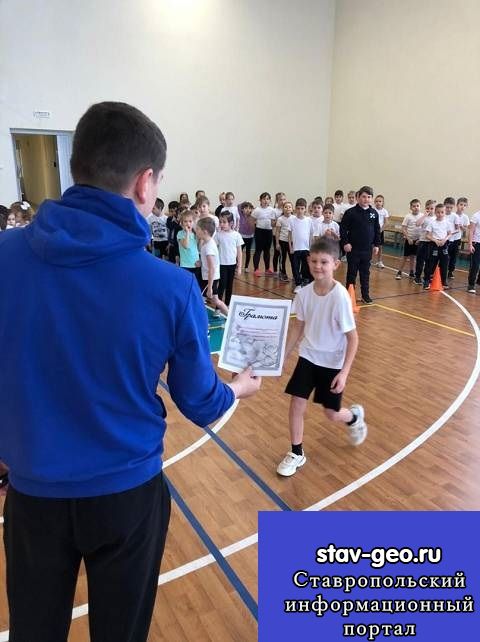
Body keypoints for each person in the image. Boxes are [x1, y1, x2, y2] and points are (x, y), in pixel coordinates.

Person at [0, 101, 261, 642]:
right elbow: (199, 401)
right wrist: (236, 389)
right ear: (145, 182)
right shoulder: (170, 286)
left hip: (32, 493)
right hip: (126, 493)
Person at [276, 237, 367, 477]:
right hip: (308, 357)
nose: (318, 266)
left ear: (335, 264)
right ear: (308, 261)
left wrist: (344, 373)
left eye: (324, 262)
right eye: (314, 261)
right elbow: (298, 327)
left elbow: (353, 338)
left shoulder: (340, 297)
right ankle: (296, 452)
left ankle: (354, 417)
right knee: (296, 403)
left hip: (332, 363)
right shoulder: (304, 294)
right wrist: (283, 357)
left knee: (331, 413)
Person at [340, 185, 380, 304]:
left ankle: (365, 295)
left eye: (369, 197)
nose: (366, 199)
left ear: (371, 199)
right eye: (363, 196)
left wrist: (376, 244)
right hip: (353, 249)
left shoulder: (374, 213)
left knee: (365, 274)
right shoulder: (350, 213)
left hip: (367, 250)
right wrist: (345, 243)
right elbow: (343, 229)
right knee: (352, 273)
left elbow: (377, 230)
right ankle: (349, 295)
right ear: (358, 197)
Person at [196, 215, 229, 316]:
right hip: (207, 278)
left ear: (205, 232)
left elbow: (212, 268)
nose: (196, 231)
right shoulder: (206, 243)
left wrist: (210, 287)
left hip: (210, 279)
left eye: (197, 229)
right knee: (215, 300)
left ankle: (230, 316)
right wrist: (201, 262)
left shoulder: (209, 247)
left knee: (204, 300)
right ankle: (230, 316)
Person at [423, 202, 454, 289]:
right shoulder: (432, 223)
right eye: (438, 212)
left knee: (444, 263)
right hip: (434, 245)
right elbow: (427, 235)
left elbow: (450, 234)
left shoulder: (447, 223)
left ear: (444, 212)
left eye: (442, 212)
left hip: (444, 244)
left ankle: (443, 282)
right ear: (435, 212)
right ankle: (427, 281)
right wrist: (435, 240)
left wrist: (445, 239)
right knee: (431, 263)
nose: (440, 214)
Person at [217, 211, 244, 306]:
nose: (221, 224)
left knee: (229, 285)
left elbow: (239, 252)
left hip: (232, 265)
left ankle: (227, 305)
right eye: (220, 222)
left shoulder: (236, 235)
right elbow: (214, 249)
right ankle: (218, 306)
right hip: (221, 265)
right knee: (222, 285)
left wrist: (239, 267)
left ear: (231, 223)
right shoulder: (218, 235)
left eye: (224, 222)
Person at [289, 197, 313, 293]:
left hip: (306, 248)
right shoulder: (292, 220)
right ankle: (298, 284)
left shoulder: (309, 220)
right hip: (296, 248)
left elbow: (311, 234)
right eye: (298, 208)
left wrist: (311, 247)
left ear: (305, 209)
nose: (300, 210)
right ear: (295, 209)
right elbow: (289, 234)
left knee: (305, 267)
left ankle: (305, 281)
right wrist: (290, 246)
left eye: (302, 208)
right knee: (295, 266)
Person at [395, 199, 421, 280]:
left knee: (413, 257)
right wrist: (408, 238)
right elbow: (403, 228)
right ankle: (399, 272)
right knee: (405, 257)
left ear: (420, 207)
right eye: (414, 206)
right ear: (410, 208)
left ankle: (411, 272)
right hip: (409, 240)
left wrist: (420, 239)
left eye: (417, 206)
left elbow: (424, 229)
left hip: (418, 241)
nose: (416, 207)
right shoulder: (408, 216)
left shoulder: (422, 216)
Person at [252, 192, 276, 276]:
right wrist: (254, 230)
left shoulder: (272, 210)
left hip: (268, 232)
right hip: (259, 231)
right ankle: (256, 269)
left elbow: (273, 222)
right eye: (264, 199)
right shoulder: (257, 210)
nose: (266, 201)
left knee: (267, 251)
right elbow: (252, 220)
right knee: (258, 250)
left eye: (267, 199)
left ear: (270, 200)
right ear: (260, 200)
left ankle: (267, 268)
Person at [413, 199, 435, 285]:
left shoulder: (435, 218)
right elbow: (417, 224)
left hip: (432, 242)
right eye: (428, 208)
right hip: (423, 241)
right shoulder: (423, 217)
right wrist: (424, 216)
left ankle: (427, 277)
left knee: (430, 261)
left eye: (432, 208)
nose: (430, 210)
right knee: (420, 260)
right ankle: (417, 277)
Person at [177, 209, 201, 285]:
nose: (188, 223)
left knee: (195, 284)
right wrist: (187, 233)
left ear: (193, 222)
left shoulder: (195, 234)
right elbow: (186, 246)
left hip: (195, 264)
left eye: (190, 221)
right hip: (185, 264)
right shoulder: (180, 234)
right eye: (185, 221)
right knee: (186, 284)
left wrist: (200, 260)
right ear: (182, 223)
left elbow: (199, 248)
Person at [448, 197, 469, 280]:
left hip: (457, 239)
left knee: (453, 256)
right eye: (461, 204)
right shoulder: (452, 215)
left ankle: (450, 271)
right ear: (457, 205)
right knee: (446, 255)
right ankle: (442, 269)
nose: (462, 207)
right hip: (449, 238)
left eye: (464, 205)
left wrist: (461, 227)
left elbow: (465, 229)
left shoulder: (465, 217)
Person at [275, 200, 294, 282]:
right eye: (286, 207)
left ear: (292, 209)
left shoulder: (294, 218)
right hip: (282, 241)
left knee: (293, 259)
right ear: (283, 209)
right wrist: (277, 243)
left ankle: (295, 275)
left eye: (289, 207)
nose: (288, 208)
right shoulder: (280, 219)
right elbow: (277, 232)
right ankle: (283, 274)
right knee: (282, 259)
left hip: (292, 242)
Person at [238, 201, 255, 272]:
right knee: (239, 251)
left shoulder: (252, 217)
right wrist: (245, 203)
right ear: (242, 209)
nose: (248, 210)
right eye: (246, 208)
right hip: (241, 236)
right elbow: (239, 205)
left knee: (248, 252)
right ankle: (238, 265)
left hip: (250, 237)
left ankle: (246, 267)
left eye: (249, 208)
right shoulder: (240, 215)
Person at [373, 194, 389, 268]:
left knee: (380, 247)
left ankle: (379, 261)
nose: (378, 203)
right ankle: (368, 260)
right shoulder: (372, 210)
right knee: (370, 246)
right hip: (371, 231)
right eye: (376, 201)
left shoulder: (384, 211)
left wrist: (381, 230)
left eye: (380, 201)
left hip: (380, 232)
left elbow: (386, 222)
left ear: (383, 202)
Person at [467, 209, 480, 293]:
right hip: (476, 243)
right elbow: (471, 231)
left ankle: (479, 281)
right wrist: (470, 244)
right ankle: (471, 284)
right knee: (475, 265)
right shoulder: (476, 216)